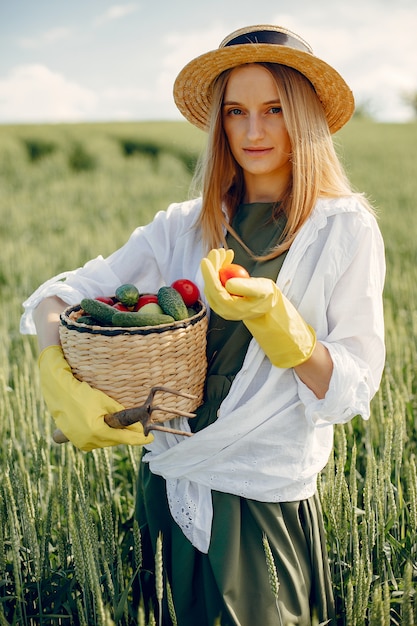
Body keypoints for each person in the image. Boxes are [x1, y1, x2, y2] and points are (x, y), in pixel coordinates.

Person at [21, 24, 386, 626]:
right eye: (235, 112)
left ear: (303, 118)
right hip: (169, 485)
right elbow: (56, 297)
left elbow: (352, 388)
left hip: (263, 496)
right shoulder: (184, 227)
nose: (253, 131)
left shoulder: (343, 229)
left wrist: (285, 331)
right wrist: (56, 372)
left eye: (274, 110)